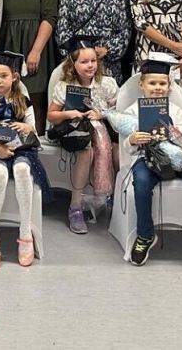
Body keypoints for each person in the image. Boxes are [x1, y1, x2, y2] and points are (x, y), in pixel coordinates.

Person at [113, 54, 182, 271]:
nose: (157, 88)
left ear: (169, 86)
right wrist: (132, 140)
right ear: (142, 85)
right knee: (141, 183)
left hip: (178, 158)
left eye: (162, 84)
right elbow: (126, 145)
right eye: (152, 83)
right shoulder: (133, 110)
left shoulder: (176, 110)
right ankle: (145, 234)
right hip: (146, 159)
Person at [0, 50, 45, 268]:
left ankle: (25, 232)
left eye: (3, 76)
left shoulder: (23, 100)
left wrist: (26, 127)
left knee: (22, 170)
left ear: (14, 76)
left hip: (21, 149)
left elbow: (34, 128)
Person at [46, 36, 118, 234]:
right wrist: (69, 113)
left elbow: (119, 111)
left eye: (93, 60)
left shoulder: (107, 83)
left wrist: (102, 114)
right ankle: (75, 207)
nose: (90, 65)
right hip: (75, 131)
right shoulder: (65, 86)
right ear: (73, 64)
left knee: (116, 150)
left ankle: (110, 198)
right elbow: (51, 116)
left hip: (102, 129)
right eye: (84, 62)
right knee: (86, 151)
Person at [0, 0, 59, 127]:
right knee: (8, 97)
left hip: (35, 47)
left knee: (35, 100)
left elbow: (49, 17)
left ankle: (35, 139)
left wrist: (36, 51)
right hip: (8, 47)